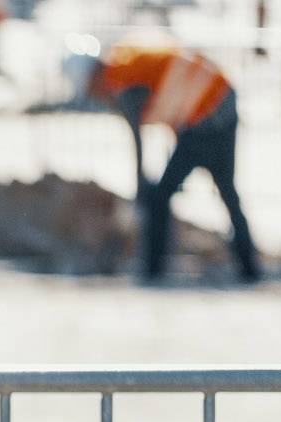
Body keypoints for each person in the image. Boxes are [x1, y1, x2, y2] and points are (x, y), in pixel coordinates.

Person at [66, 34, 261, 283]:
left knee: (158, 198)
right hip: (219, 106)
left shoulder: (124, 81)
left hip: (207, 117)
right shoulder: (128, 65)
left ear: (93, 76)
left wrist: (140, 189)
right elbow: (174, 99)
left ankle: (153, 270)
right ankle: (250, 270)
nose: (94, 95)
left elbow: (137, 137)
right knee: (227, 194)